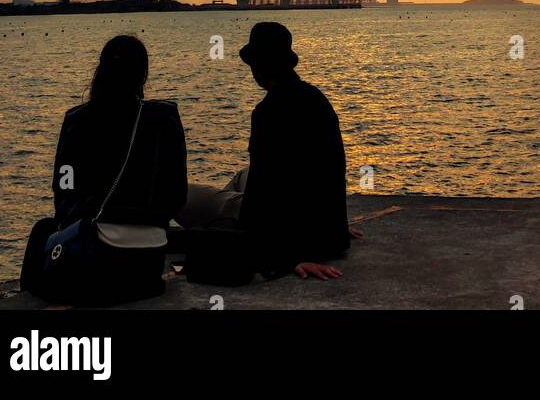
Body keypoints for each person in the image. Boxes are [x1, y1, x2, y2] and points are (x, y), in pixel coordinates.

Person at [176, 22, 353, 281]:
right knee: (243, 175)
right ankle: (227, 208)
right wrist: (334, 223)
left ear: (257, 66)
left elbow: (264, 192)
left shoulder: (267, 112)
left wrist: (282, 256)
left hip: (286, 234)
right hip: (326, 235)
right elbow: (330, 171)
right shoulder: (317, 99)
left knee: (183, 193)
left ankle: (223, 221)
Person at [20, 35, 187, 305]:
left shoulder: (77, 120)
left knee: (43, 231)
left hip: (96, 262)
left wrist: (79, 219)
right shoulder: (164, 117)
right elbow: (177, 195)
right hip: (147, 267)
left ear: (101, 70)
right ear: (143, 74)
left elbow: (63, 190)